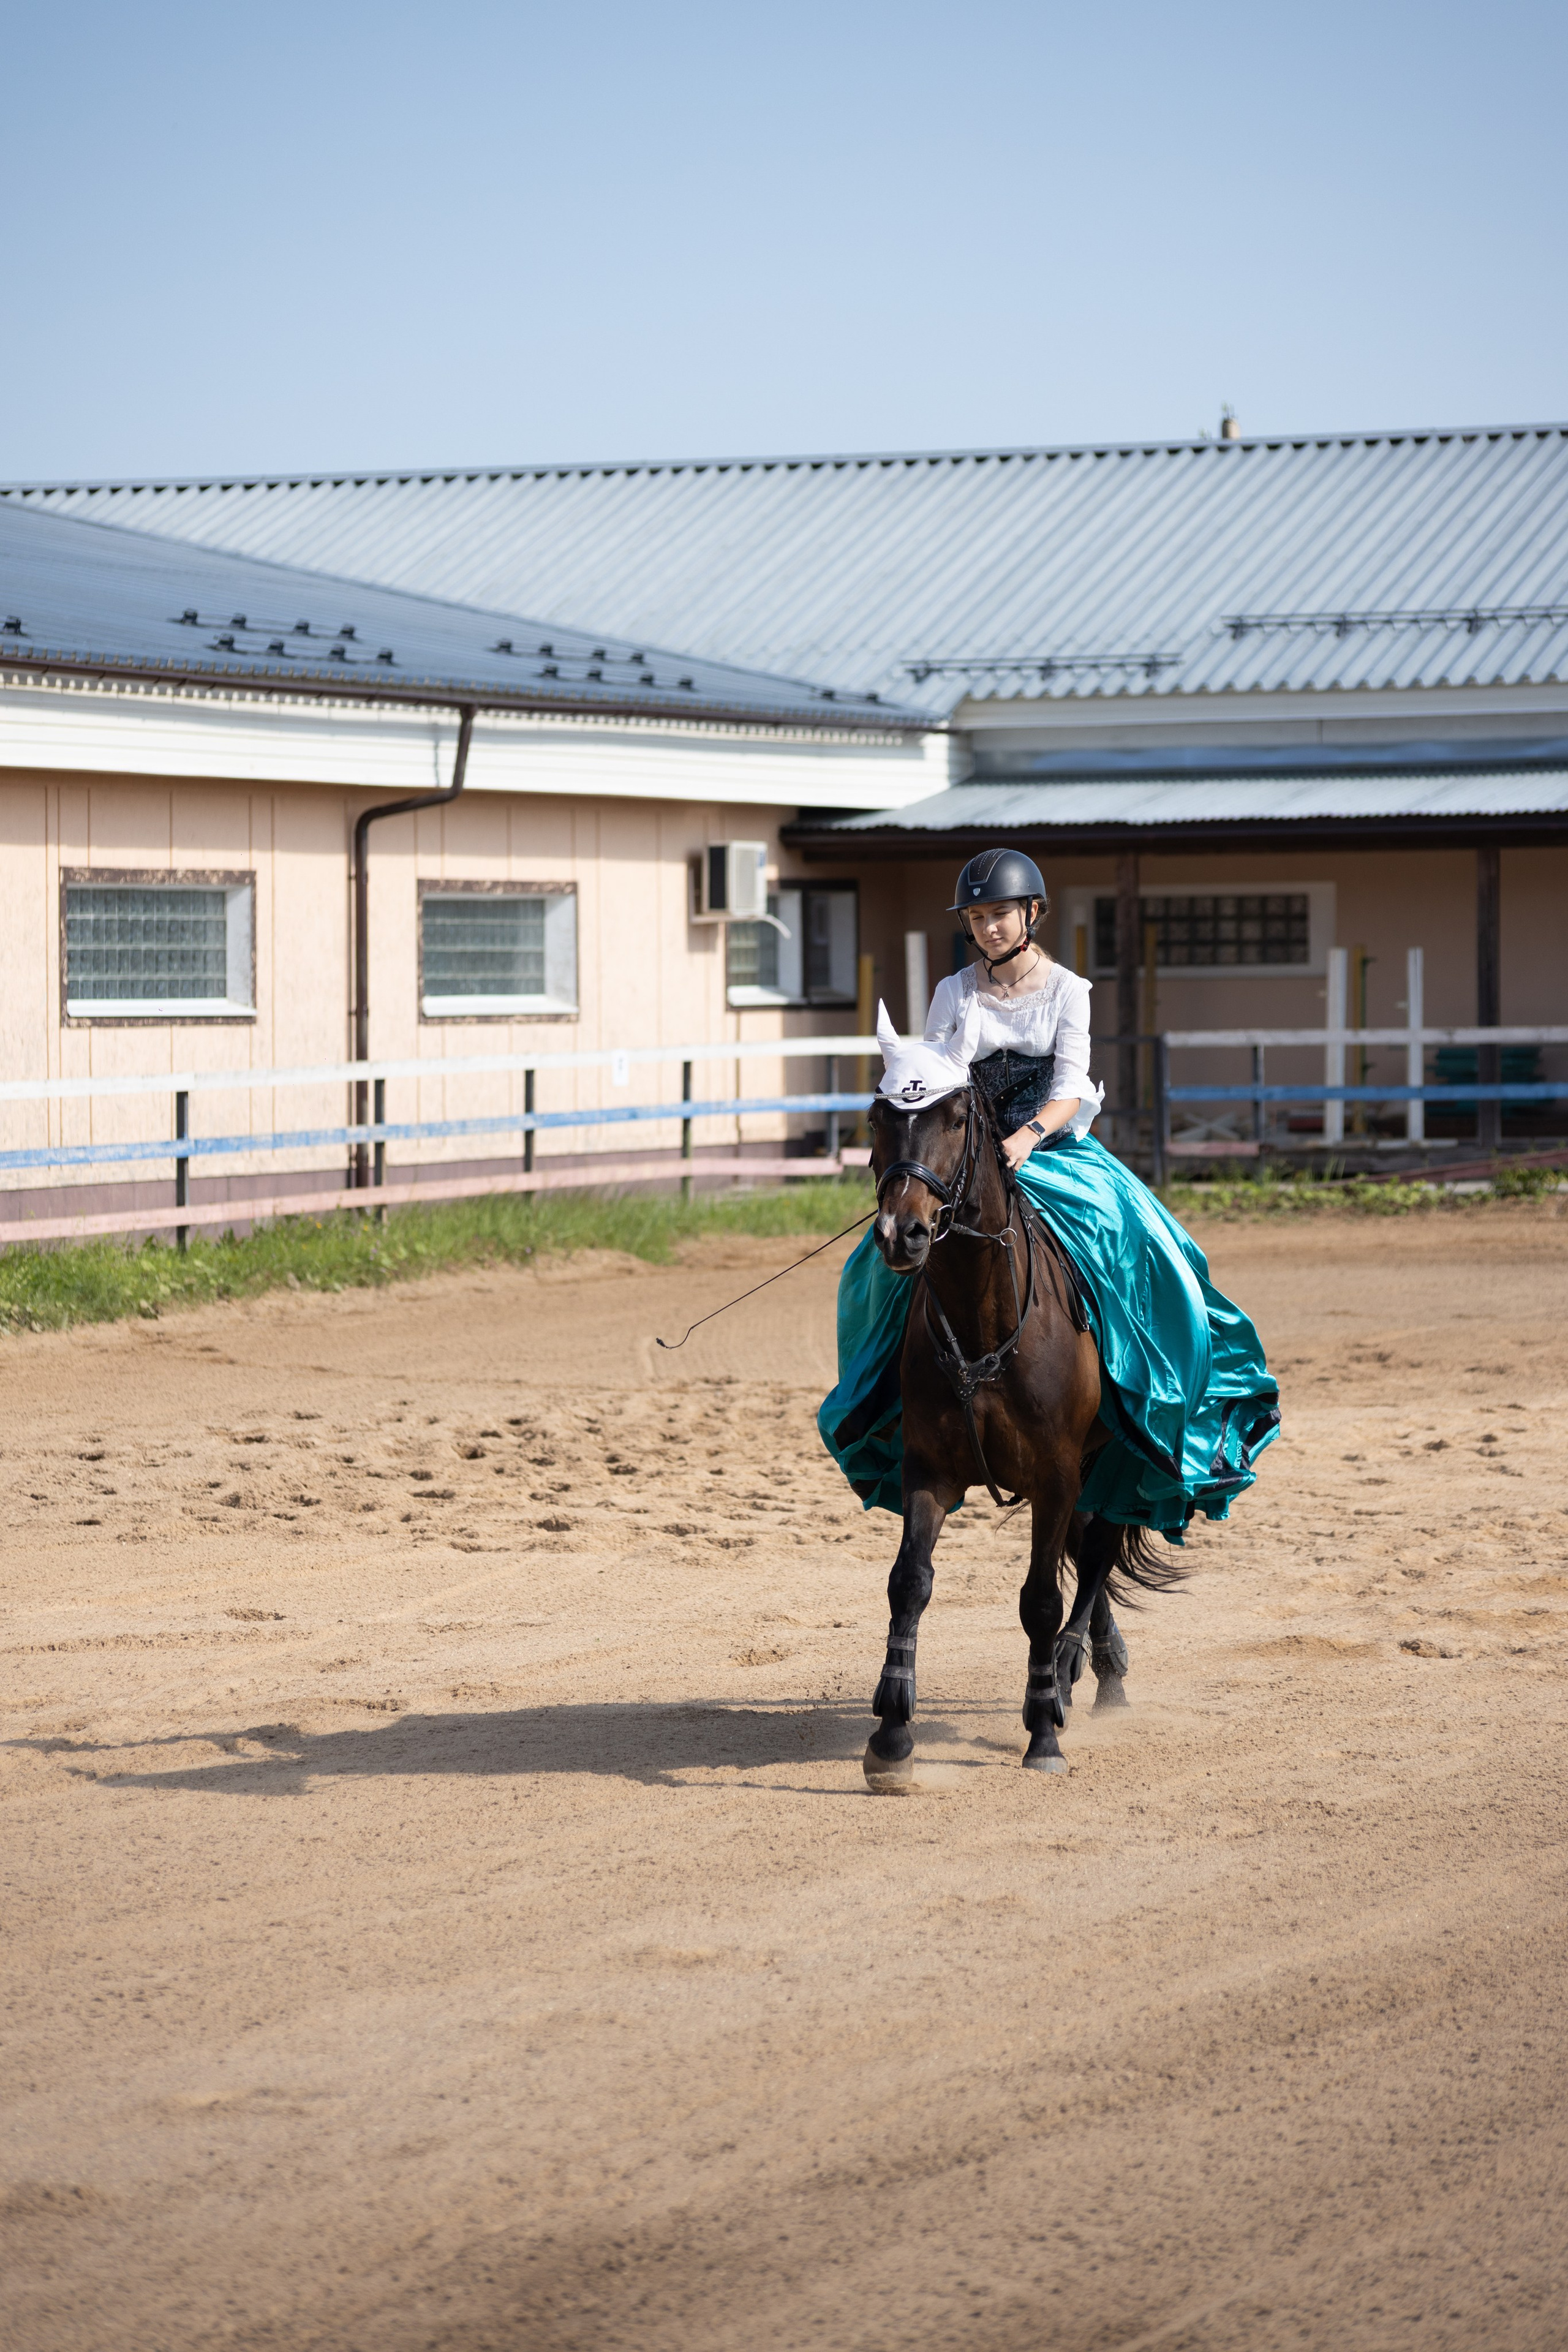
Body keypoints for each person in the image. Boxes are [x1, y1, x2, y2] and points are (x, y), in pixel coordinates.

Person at [818, 846, 1280, 1538]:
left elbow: (1070, 1087)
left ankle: (1144, 1395)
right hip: (962, 1159)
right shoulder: (953, 991)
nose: (988, 928)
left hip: (1050, 1150)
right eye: (976, 917)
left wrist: (1027, 1137)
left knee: (1142, 1242)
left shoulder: (1069, 991)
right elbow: (933, 1078)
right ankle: (877, 1400)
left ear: (1030, 913)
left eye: (999, 914)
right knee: (875, 1260)